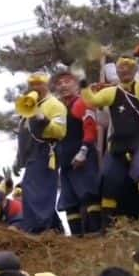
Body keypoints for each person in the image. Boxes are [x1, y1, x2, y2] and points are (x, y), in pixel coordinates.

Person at [82, 56, 139, 221]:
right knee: (108, 178)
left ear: (135, 70)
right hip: (117, 143)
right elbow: (98, 111)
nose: (125, 71)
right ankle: (108, 225)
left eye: (129, 68)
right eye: (121, 68)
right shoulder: (111, 93)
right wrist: (86, 88)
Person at [13, 71, 67, 233]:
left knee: (39, 192)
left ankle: (40, 228)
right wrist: (18, 159)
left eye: (39, 84)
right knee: (29, 190)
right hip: (31, 155)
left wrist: (42, 118)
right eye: (33, 84)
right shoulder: (31, 104)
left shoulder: (55, 105)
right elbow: (25, 134)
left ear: (47, 85)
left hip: (45, 153)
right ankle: (51, 228)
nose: (35, 87)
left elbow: (60, 131)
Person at [54, 71, 102, 235]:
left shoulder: (81, 103)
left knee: (89, 194)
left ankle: (96, 234)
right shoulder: (57, 108)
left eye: (67, 82)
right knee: (69, 201)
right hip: (64, 161)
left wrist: (83, 151)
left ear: (75, 84)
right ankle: (76, 240)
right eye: (59, 83)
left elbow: (90, 128)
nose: (63, 86)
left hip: (82, 157)